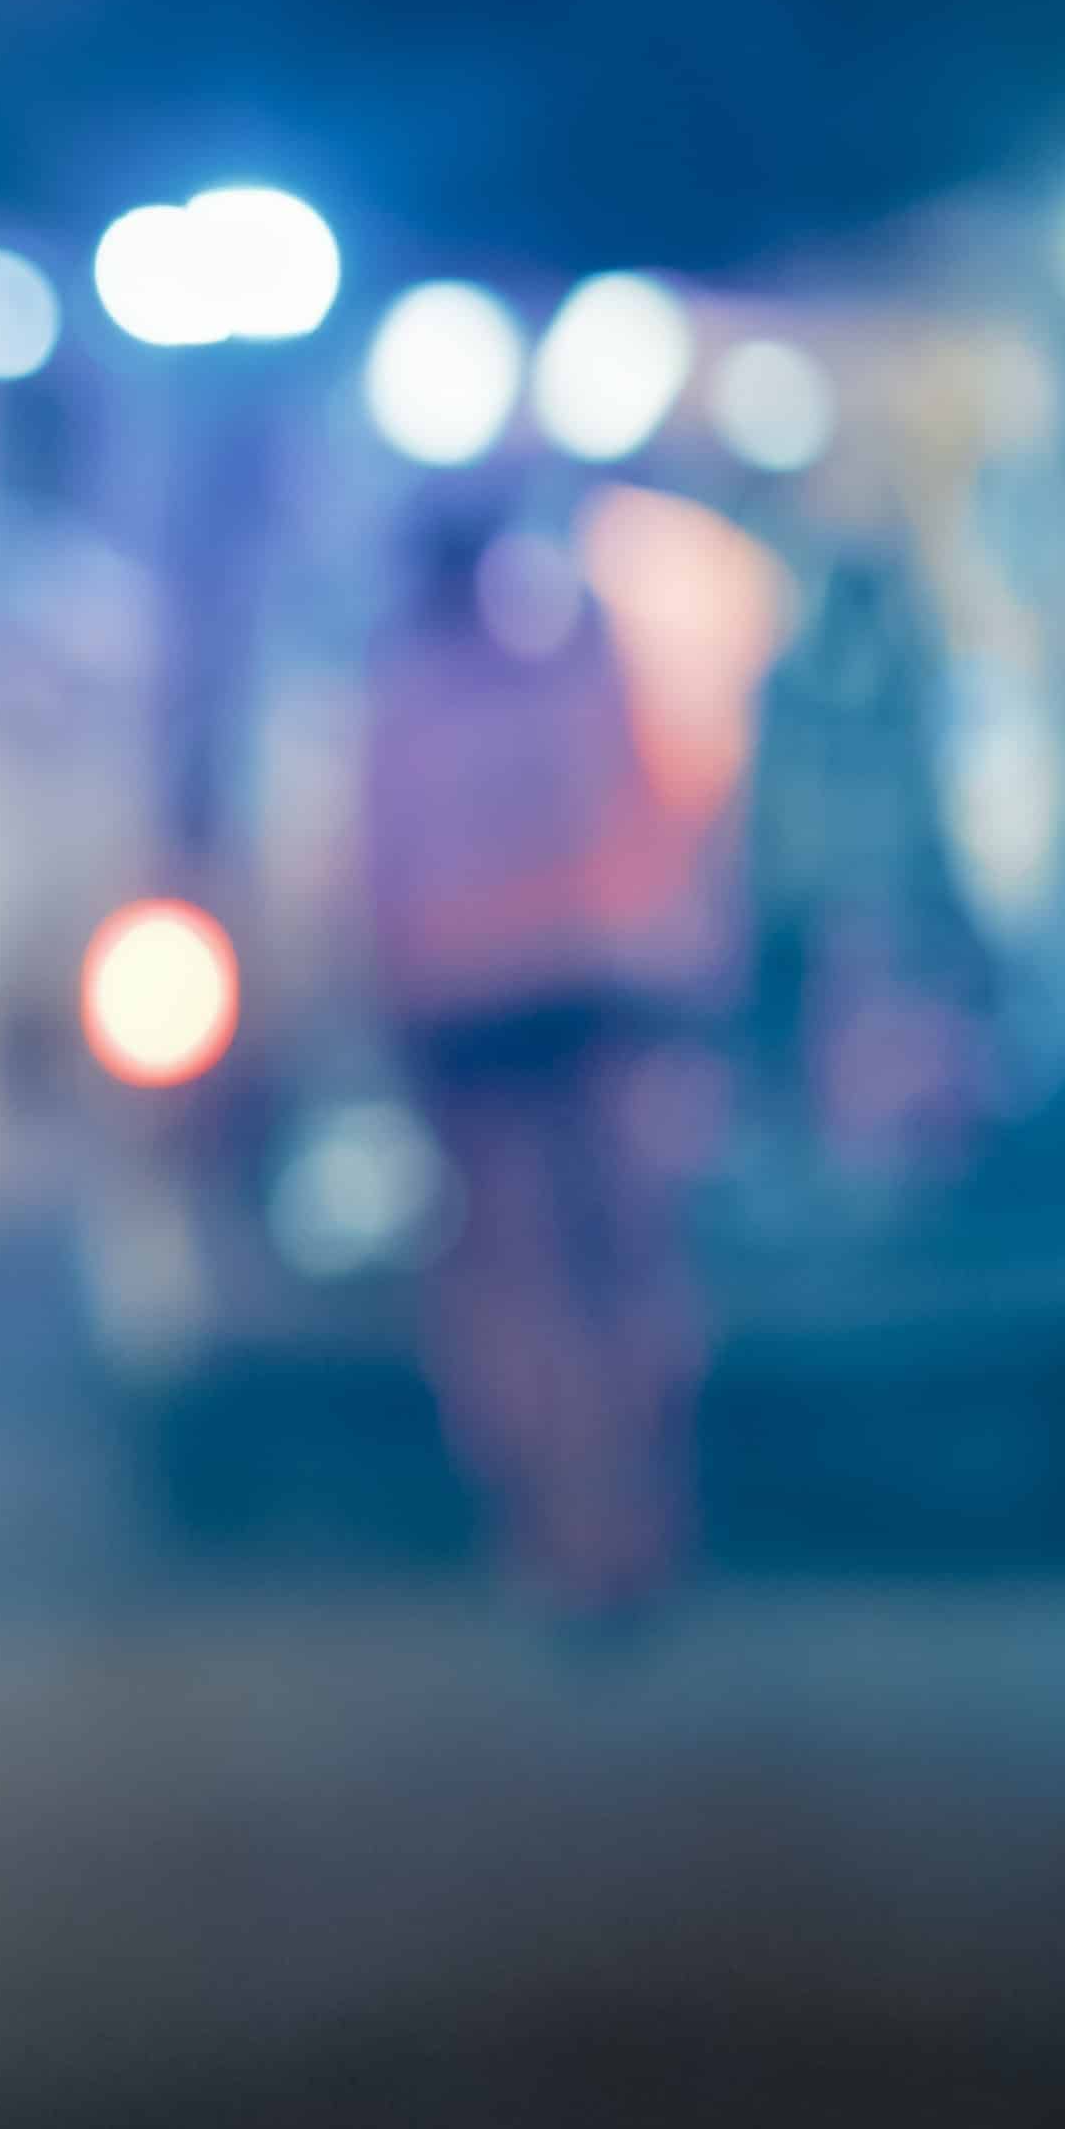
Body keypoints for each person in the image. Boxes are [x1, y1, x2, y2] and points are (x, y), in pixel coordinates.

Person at [360, 485, 723, 1625]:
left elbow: (372, 877)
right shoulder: (575, 678)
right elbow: (659, 823)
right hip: (594, 999)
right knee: (620, 1268)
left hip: (466, 1021)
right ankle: (639, 1528)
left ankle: (552, 1539)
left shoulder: (402, 704)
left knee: (513, 1283)